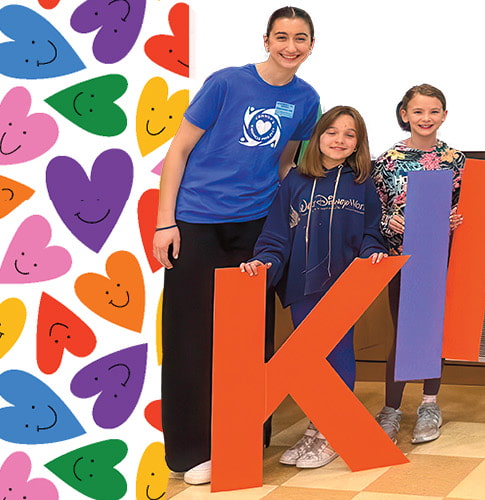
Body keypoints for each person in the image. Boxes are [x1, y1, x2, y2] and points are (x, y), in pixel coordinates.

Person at [152, 6, 321, 485]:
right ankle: (190, 451)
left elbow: (286, 161)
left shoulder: (307, 99)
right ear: (266, 40)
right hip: (198, 223)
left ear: (312, 46)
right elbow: (178, 150)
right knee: (191, 338)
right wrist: (167, 224)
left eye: (301, 39)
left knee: (249, 338)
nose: (291, 46)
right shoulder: (225, 83)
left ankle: (242, 440)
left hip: (256, 229)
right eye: (282, 36)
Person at [241, 105, 387, 469]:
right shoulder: (294, 182)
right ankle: (315, 426)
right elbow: (276, 235)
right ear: (317, 137)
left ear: (358, 144)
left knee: (338, 353)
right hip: (303, 285)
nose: (339, 139)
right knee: (308, 361)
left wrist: (372, 253)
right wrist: (264, 262)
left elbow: (371, 231)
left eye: (349, 134)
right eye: (332, 132)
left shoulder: (362, 184)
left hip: (345, 285)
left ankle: (331, 432)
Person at [371, 84, 466, 444]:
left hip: (440, 256)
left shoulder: (456, 160)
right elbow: (375, 210)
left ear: (443, 115)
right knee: (403, 331)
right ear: (404, 115)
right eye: (418, 112)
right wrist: (386, 223)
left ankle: (429, 404)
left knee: (432, 332)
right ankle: (391, 409)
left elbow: (466, 207)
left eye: (433, 111)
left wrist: (459, 218)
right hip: (400, 259)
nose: (425, 118)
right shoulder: (386, 161)